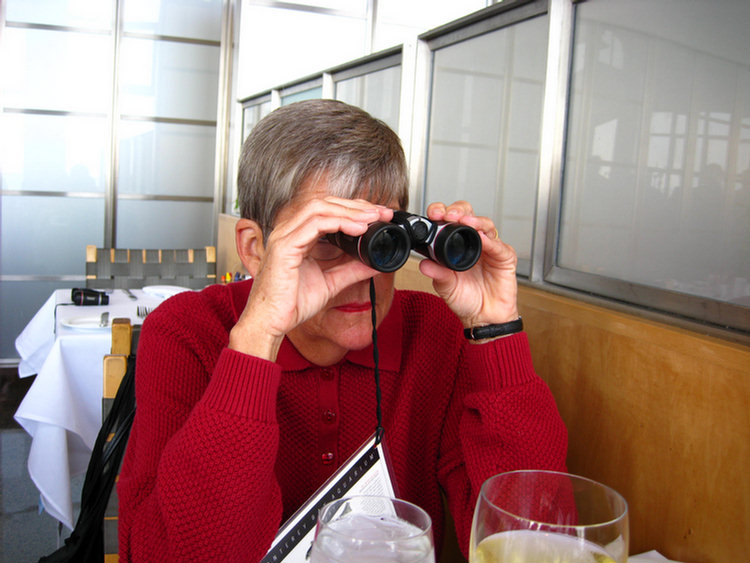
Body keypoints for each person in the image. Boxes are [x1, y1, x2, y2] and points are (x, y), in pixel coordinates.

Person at [117, 99, 567, 562]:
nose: (362, 273)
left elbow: (533, 536)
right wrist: (255, 343)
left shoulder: (436, 334)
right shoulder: (186, 333)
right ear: (256, 249)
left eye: (380, 239)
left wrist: (495, 334)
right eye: (330, 238)